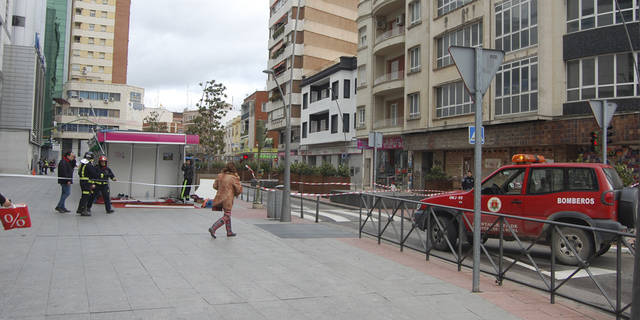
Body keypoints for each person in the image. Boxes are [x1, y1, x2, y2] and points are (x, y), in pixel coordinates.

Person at [208, 162, 242, 238]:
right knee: (227, 215)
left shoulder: (220, 176)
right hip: (228, 198)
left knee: (226, 214)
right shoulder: (233, 177)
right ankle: (213, 228)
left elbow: (215, 186)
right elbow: (238, 189)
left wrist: (221, 189)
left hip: (219, 197)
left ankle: (229, 231)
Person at [76, 152, 98, 216]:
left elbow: (79, 173)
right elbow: (93, 174)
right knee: (86, 196)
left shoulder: (82, 164)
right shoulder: (88, 165)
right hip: (86, 183)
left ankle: (80, 209)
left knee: (84, 196)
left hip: (83, 181)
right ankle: (83, 210)